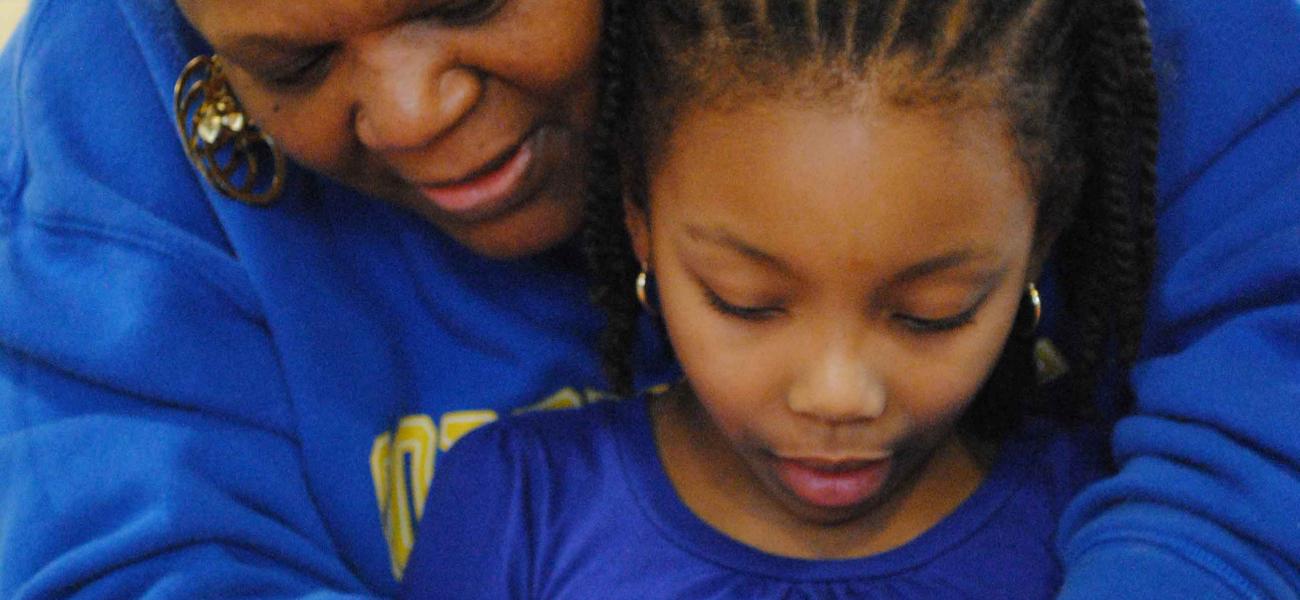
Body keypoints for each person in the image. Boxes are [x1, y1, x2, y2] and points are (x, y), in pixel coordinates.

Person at [0, 0, 1297, 598]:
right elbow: (123, 540)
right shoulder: (101, 109)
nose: (412, 112)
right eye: (288, 62)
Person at [399, 0, 1155, 597]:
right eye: (746, 303)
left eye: (935, 311)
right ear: (641, 226)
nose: (837, 395)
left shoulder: (1103, 519)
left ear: (1040, 244)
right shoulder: (520, 507)